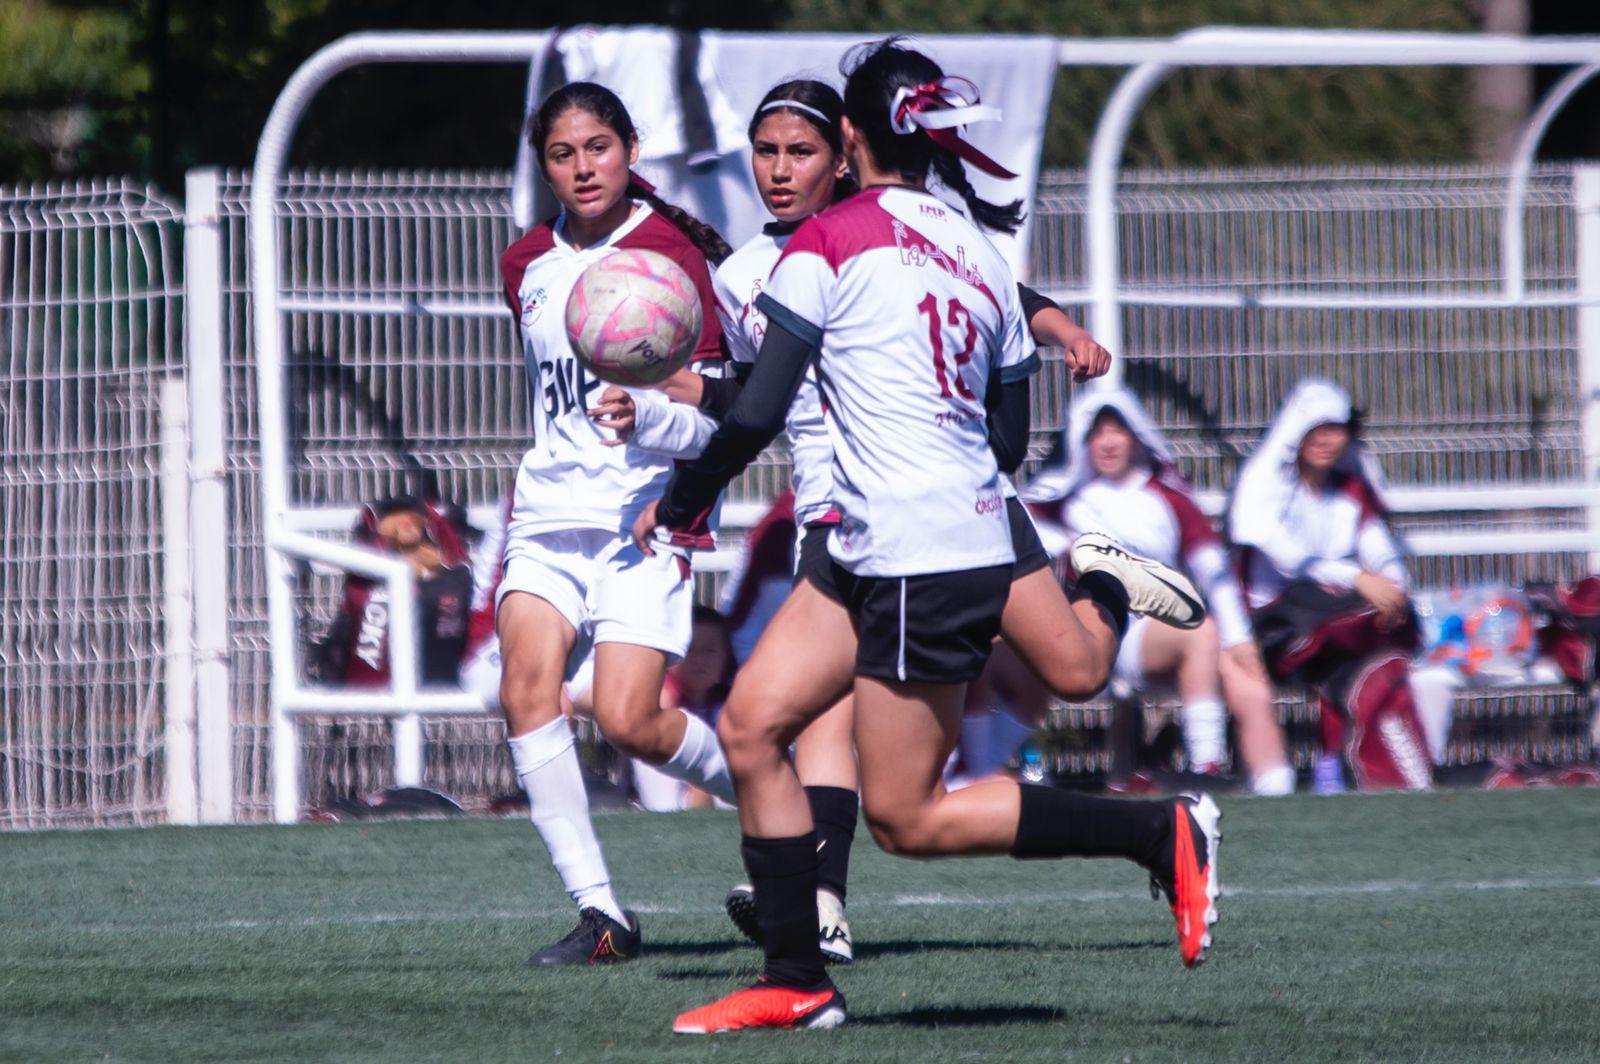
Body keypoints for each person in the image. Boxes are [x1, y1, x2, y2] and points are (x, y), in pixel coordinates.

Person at [634, 40, 1222, 1034]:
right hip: (913, 528)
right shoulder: (981, 258)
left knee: (906, 816)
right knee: (752, 725)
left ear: (851, 137)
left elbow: (759, 408)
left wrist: (685, 498)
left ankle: (1157, 830)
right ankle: (796, 979)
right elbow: (1007, 440)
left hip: (915, 550)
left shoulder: (824, 243)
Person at [494, 81, 744, 968]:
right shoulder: (526, 263)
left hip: (644, 522)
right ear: (546, 168)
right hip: (551, 511)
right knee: (525, 688)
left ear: (630, 148)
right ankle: (603, 916)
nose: (582, 166)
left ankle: (770, 800)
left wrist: (657, 429)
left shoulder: (674, 253)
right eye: (563, 154)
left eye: (597, 146)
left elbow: (723, 419)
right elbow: (554, 404)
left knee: (632, 721)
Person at [1021, 388, 1295, 795]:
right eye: (1098, 433)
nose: (1109, 442)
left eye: (1118, 431)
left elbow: (1213, 570)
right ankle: (1207, 764)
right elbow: (1024, 535)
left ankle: (1276, 787)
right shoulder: (1058, 501)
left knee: (1240, 670)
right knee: (1200, 632)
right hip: (1086, 634)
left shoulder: (1168, 497)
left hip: (1154, 634)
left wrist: (1241, 642)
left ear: (1137, 437)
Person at [1229, 379, 1433, 791]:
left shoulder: (1350, 491)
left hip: (1329, 621)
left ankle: (1355, 763)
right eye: (1316, 429)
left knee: (1384, 644)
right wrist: (1357, 578)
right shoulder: (1272, 486)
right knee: (1347, 637)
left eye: (1336, 429)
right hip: (1271, 629)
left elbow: (1379, 546)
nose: (1326, 440)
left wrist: (1392, 584)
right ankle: (1335, 759)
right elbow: (1288, 561)